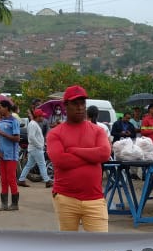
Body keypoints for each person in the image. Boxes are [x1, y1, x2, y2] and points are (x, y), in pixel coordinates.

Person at [46, 85, 111, 232]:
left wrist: (74, 150)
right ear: (66, 105)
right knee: (69, 248)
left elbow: (104, 154)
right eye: (75, 103)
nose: (80, 107)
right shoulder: (55, 133)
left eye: (82, 103)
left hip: (94, 199)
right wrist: (91, 156)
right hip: (66, 198)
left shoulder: (98, 131)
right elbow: (60, 161)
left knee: (99, 247)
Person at [0, 100, 21, 212]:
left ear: (6, 108)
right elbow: (0, 139)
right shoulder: (1, 121)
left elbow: (17, 138)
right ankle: (4, 204)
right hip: (2, 155)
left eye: (0, 107)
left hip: (11, 155)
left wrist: (2, 133)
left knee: (11, 179)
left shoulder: (14, 121)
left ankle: (15, 204)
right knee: (3, 179)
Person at [18, 109, 51, 187]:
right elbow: (32, 137)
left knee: (29, 165)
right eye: (42, 116)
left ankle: (21, 180)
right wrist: (40, 145)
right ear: (38, 117)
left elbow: (32, 137)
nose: (43, 118)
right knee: (42, 164)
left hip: (34, 148)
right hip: (36, 148)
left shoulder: (33, 123)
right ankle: (47, 181)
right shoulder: (33, 124)